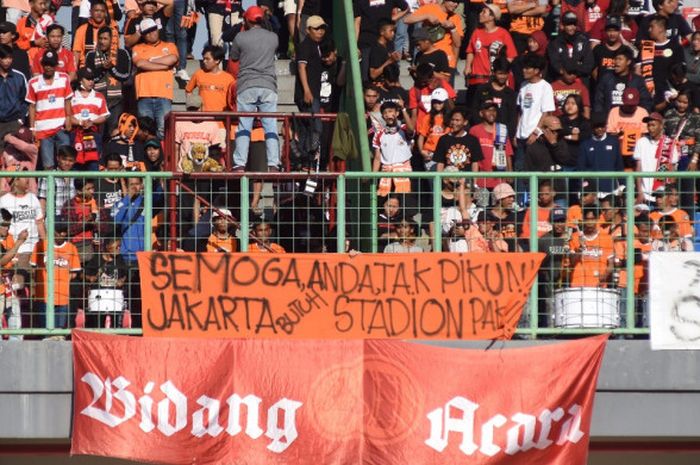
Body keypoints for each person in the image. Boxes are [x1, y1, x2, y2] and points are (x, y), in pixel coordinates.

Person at [230, 6, 279, 172]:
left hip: (246, 85)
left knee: (244, 126)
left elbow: (234, 57)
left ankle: (239, 164)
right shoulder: (273, 37)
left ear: (246, 20)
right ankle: (273, 163)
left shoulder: (240, 37)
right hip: (268, 85)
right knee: (270, 126)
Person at [131, 18, 178, 140]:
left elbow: (172, 59)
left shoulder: (170, 45)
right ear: (143, 34)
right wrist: (164, 65)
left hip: (164, 94)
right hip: (144, 95)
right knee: (145, 132)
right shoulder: (137, 48)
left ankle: (164, 158)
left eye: (153, 30)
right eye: (147, 32)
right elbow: (140, 64)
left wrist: (150, 61)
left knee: (164, 130)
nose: (152, 33)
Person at [26, 50, 73, 170]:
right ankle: (49, 189)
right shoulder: (33, 82)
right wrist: (32, 128)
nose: (49, 67)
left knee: (66, 163)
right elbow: (32, 106)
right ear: (42, 65)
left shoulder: (64, 78)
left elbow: (67, 100)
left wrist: (68, 118)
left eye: (51, 64)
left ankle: (66, 189)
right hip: (43, 129)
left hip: (61, 127)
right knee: (48, 165)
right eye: (46, 64)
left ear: (56, 65)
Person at [31, 220, 81, 329]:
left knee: (59, 331)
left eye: (64, 231)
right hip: (43, 296)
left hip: (62, 296)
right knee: (45, 330)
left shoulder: (71, 248)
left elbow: (74, 273)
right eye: (59, 231)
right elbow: (33, 269)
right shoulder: (41, 245)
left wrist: (63, 280)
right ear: (52, 232)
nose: (61, 234)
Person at [84, 26, 132, 136]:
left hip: (117, 100)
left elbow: (126, 75)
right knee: (97, 132)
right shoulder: (91, 55)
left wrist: (112, 68)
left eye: (105, 39)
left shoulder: (122, 54)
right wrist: (102, 69)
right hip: (97, 101)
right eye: (100, 38)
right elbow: (89, 78)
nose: (102, 42)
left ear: (112, 40)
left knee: (114, 131)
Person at [403, 0, 462, 80]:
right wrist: (426, 16)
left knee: (445, 90)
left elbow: (457, 44)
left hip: (447, 59)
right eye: (453, 1)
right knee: (424, 89)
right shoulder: (430, 8)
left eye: (458, 3)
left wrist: (453, 28)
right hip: (428, 55)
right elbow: (406, 20)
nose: (456, 5)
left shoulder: (456, 17)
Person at [515, 54, 554, 171]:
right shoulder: (523, 86)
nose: (524, 70)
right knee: (520, 171)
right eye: (524, 67)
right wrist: (516, 133)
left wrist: (536, 132)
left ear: (537, 70)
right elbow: (520, 111)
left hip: (536, 138)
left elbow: (546, 113)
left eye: (527, 68)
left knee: (535, 171)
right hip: (521, 137)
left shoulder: (545, 87)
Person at [464, 4, 516, 91]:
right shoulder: (476, 32)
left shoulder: (503, 33)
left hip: (494, 78)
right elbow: (471, 51)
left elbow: (511, 56)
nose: (480, 14)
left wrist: (500, 70)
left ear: (492, 17)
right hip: (478, 77)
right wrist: (468, 66)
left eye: (484, 12)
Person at [83, 236, 129, 328]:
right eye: (117, 247)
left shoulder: (120, 260)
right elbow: (82, 274)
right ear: (108, 247)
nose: (119, 249)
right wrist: (90, 277)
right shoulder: (96, 259)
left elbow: (127, 274)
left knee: (115, 322)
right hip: (98, 296)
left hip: (114, 296)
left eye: (120, 247)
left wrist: (122, 280)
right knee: (97, 322)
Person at [634, 112, 679, 202]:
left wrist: (670, 195)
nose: (650, 128)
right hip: (645, 194)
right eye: (648, 125)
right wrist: (640, 191)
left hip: (662, 196)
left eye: (653, 125)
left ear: (661, 126)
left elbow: (672, 171)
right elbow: (638, 169)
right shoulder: (641, 142)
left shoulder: (670, 143)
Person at [70, 67, 110, 171]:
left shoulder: (99, 96)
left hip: (93, 134)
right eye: (88, 79)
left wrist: (92, 122)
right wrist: (80, 123)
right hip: (76, 134)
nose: (91, 81)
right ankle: (78, 186)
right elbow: (68, 117)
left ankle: (92, 186)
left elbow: (104, 116)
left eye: (92, 79)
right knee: (76, 164)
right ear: (80, 80)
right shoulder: (72, 97)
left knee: (93, 164)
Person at [372, 100, 414, 196]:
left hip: (404, 173)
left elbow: (411, 129)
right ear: (382, 116)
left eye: (391, 111)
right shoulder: (379, 134)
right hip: (386, 174)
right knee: (385, 202)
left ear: (397, 113)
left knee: (404, 202)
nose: (388, 115)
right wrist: (373, 176)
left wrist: (403, 109)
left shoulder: (403, 129)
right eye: (385, 113)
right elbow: (377, 158)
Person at [594, 46, 652, 114]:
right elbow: (598, 101)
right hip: (610, 119)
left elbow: (646, 103)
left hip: (631, 119)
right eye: (615, 59)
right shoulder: (606, 79)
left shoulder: (637, 81)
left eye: (620, 59)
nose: (616, 62)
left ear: (628, 62)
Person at [469, 100, 513, 189]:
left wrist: (510, 173)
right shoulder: (475, 130)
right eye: (488, 110)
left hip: (499, 178)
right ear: (481, 113)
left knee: (498, 202)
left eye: (494, 110)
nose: (492, 113)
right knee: (481, 203)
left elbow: (508, 153)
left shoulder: (502, 129)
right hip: (481, 179)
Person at [0, 174, 44, 262]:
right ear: (16, 181)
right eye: (23, 176)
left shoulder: (33, 198)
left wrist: (45, 244)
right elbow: (2, 228)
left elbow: (39, 223)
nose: (27, 178)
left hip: (35, 246)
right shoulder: (4, 201)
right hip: (15, 248)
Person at [566, 207, 614, 288]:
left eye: (592, 219)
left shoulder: (607, 238)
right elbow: (572, 262)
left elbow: (611, 264)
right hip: (578, 285)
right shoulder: (575, 237)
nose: (589, 222)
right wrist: (580, 248)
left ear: (597, 219)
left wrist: (605, 276)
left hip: (599, 286)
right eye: (587, 219)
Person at [470, 57, 517, 138]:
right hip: (483, 135)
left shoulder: (511, 93)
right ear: (494, 72)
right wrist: (482, 129)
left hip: (502, 136)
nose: (503, 77)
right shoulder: (482, 89)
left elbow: (512, 117)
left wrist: (509, 134)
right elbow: (475, 110)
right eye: (500, 73)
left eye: (505, 74)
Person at [0, 210, 29, 340]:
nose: (7, 228)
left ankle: (15, 347)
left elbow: (12, 261)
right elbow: (3, 261)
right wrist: (19, 242)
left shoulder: (9, 237)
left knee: (15, 314)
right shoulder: (14, 240)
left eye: (8, 225)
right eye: (3, 225)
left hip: (6, 282)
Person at [578, 114, 625, 193]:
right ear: (592, 127)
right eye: (597, 127)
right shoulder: (585, 144)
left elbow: (619, 166)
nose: (600, 129)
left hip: (611, 189)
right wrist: (585, 187)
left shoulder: (614, 142)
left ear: (606, 126)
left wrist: (622, 185)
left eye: (602, 126)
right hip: (592, 190)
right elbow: (581, 168)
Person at [606, 87, 649, 168]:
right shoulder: (614, 111)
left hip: (637, 151)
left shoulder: (643, 112)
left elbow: (646, 134)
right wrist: (620, 134)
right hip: (618, 151)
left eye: (632, 105)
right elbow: (609, 133)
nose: (630, 107)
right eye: (627, 105)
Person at [546, 11, 594, 82]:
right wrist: (566, 72)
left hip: (580, 79)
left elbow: (589, 64)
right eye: (569, 24)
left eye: (574, 24)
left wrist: (575, 73)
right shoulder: (554, 43)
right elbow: (555, 64)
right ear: (562, 26)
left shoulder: (583, 42)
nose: (572, 27)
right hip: (560, 80)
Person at [185, 45, 234, 112]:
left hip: (221, 119)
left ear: (217, 60)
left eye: (207, 59)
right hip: (203, 119)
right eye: (204, 59)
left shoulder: (229, 78)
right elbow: (188, 90)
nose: (204, 61)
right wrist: (193, 105)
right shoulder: (199, 74)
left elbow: (233, 99)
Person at [434, 107, 483, 173]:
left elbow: (475, 163)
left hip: (467, 181)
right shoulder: (443, 140)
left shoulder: (473, 140)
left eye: (457, 120)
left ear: (465, 122)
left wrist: (474, 182)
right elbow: (440, 163)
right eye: (452, 120)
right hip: (447, 181)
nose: (454, 122)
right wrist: (439, 182)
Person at [72, 0, 119, 68]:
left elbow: (115, 53)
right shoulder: (81, 30)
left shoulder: (112, 31)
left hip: (107, 69)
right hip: (86, 69)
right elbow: (76, 52)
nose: (99, 14)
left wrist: (109, 63)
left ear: (106, 13)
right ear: (90, 12)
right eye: (96, 10)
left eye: (102, 11)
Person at [0, 45, 28, 145]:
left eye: (10, 58)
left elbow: (25, 100)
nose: (7, 61)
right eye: (4, 58)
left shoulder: (19, 77)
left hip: (14, 123)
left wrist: (21, 119)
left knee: (12, 157)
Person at [416, 88, 450, 171]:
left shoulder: (450, 118)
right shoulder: (427, 118)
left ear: (445, 102)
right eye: (434, 102)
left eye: (440, 102)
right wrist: (421, 151)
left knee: (446, 182)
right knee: (433, 182)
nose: (437, 104)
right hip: (431, 153)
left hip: (446, 153)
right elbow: (421, 136)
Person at [38, 145, 76, 216]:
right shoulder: (47, 176)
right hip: (53, 219)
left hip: (72, 219)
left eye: (70, 160)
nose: (67, 163)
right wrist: (41, 221)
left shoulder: (76, 177)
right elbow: (42, 200)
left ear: (75, 161)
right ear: (58, 158)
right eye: (64, 159)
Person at [592, 16, 627, 82]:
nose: (612, 34)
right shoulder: (598, 49)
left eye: (615, 31)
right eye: (609, 31)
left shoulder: (625, 50)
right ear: (605, 31)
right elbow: (594, 70)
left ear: (620, 31)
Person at [368, 19, 400, 83]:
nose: (393, 34)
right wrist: (390, 61)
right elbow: (373, 74)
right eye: (391, 31)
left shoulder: (390, 45)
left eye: (394, 31)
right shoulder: (376, 49)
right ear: (382, 32)